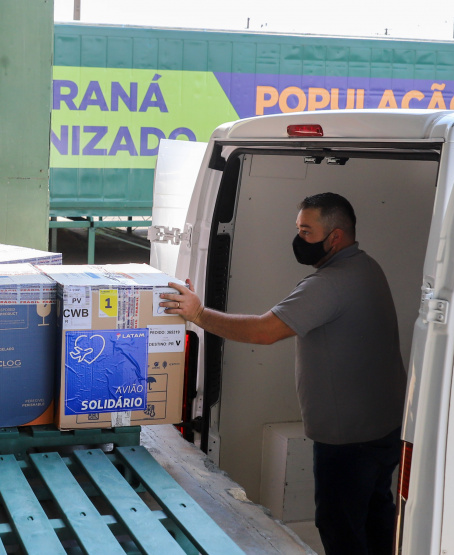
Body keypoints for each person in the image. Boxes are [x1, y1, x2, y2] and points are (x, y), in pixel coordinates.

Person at [161, 192, 406, 555]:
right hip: (383, 426)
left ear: (335, 237)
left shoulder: (329, 284)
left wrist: (199, 315)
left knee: (340, 525)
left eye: (306, 232)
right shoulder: (367, 267)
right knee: (375, 512)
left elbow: (264, 331)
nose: (298, 240)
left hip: (348, 438)